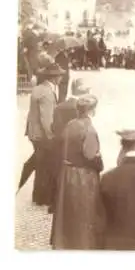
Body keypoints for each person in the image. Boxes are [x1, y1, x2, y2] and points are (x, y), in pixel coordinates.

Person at [51, 94, 104, 250]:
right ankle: (82, 244)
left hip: (66, 173)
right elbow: (90, 156)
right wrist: (99, 162)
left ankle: (64, 242)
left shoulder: (70, 124)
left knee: (67, 212)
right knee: (84, 211)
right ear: (91, 111)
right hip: (82, 177)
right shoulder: (89, 130)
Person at [49, 78, 91, 213]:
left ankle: (55, 204)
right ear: (83, 92)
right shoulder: (82, 109)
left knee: (58, 173)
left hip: (59, 144)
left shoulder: (60, 106)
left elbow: (54, 127)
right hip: (75, 146)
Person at [25, 63, 64, 206]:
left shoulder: (38, 89)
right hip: (41, 135)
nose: (61, 77)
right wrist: (51, 136)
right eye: (59, 75)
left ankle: (38, 196)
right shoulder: (47, 93)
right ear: (54, 78)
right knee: (44, 165)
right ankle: (42, 197)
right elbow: (46, 118)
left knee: (40, 163)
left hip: (33, 132)